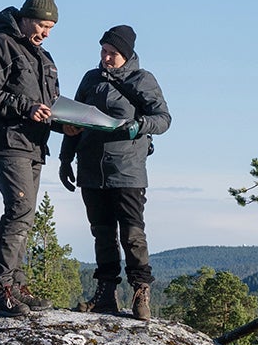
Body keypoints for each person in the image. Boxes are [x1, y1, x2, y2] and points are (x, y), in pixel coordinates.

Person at [58, 24, 172, 319]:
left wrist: (139, 126)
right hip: (91, 168)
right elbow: (73, 120)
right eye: (104, 51)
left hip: (128, 169)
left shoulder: (142, 80)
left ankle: (140, 293)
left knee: (132, 234)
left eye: (113, 53)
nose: (106, 58)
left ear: (127, 54)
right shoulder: (90, 79)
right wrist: (65, 159)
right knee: (102, 233)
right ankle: (106, 294)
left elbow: (163, 119)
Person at [0, 0, 59, 315]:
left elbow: (51, 106)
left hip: (35, 145)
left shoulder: (44, 58)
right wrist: (25, 107)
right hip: (7, 141)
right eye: (42, 25)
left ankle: (16, 287)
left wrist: (68, 124)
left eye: (50, 28)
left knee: (26, 216)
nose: (46, 33)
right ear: (26, 18)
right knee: (19, 209)